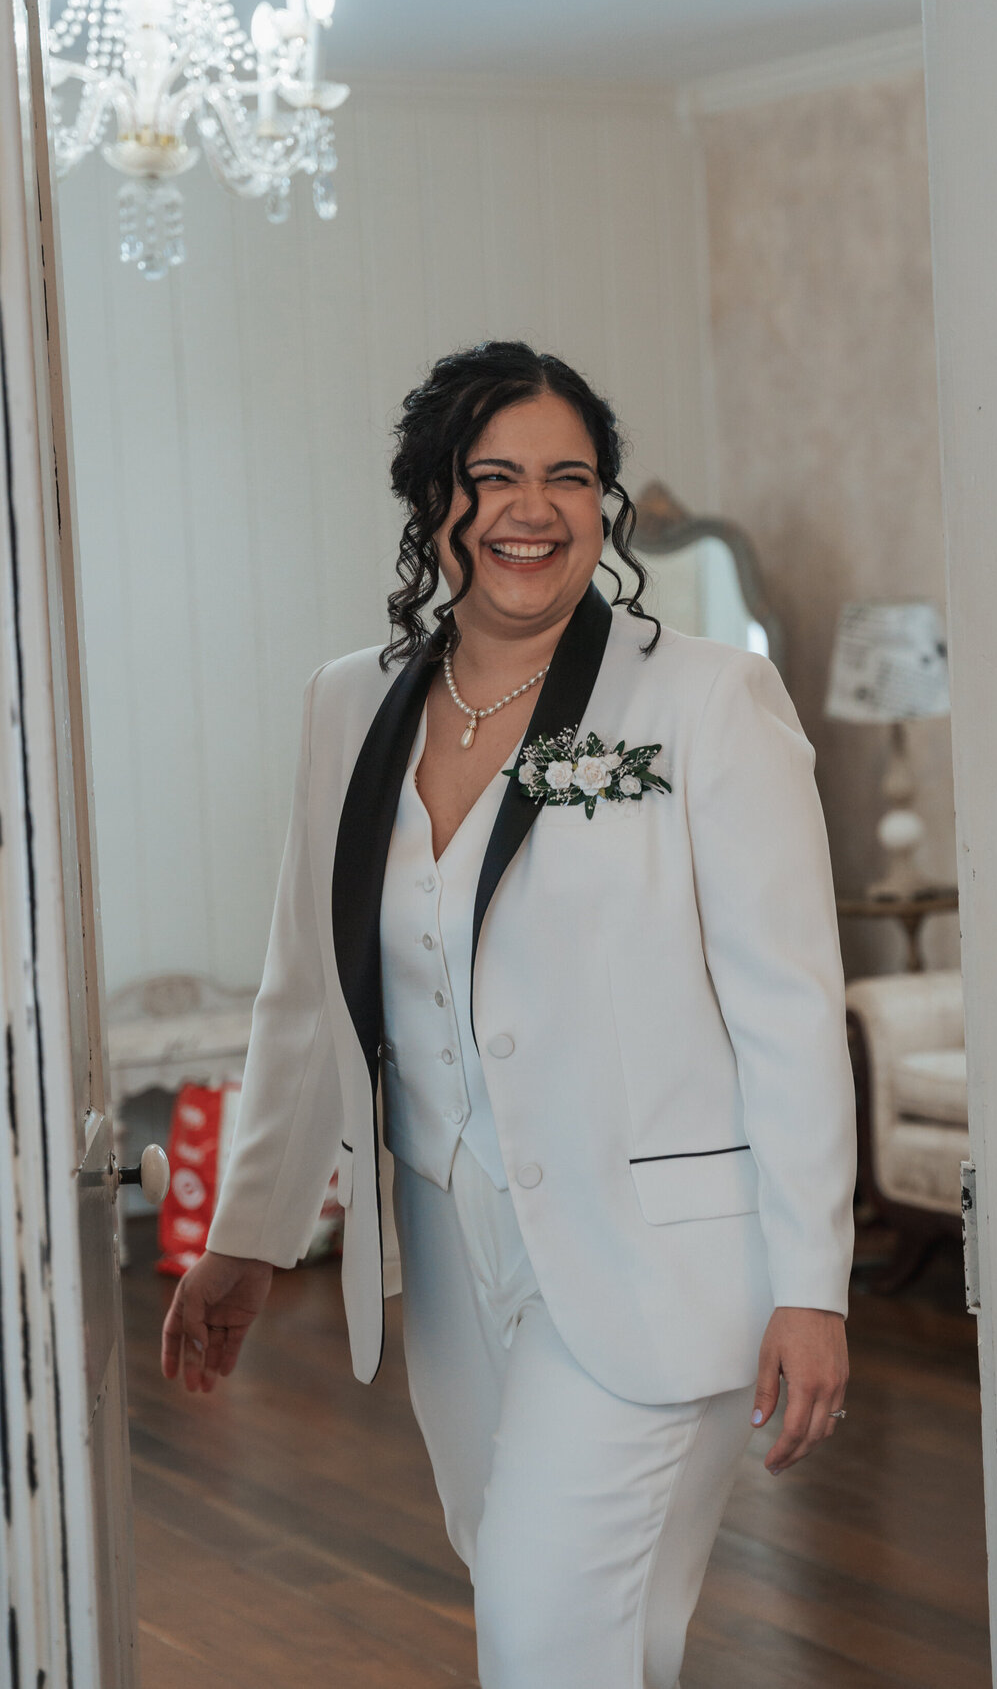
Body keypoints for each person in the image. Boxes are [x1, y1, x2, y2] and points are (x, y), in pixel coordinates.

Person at [161, 340, 857, 1689]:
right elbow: (310, 989)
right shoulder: (349, 702)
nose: (533, 509)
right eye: (494, 476)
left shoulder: (707, 698)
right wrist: (251, 1234)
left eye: (569, 477)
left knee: (542, 1638)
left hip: (660, 1262)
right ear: (436, 503)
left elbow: (790, 1010)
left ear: (606, 503)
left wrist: (814, 1285)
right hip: (453, 1258)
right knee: (583, 1624)